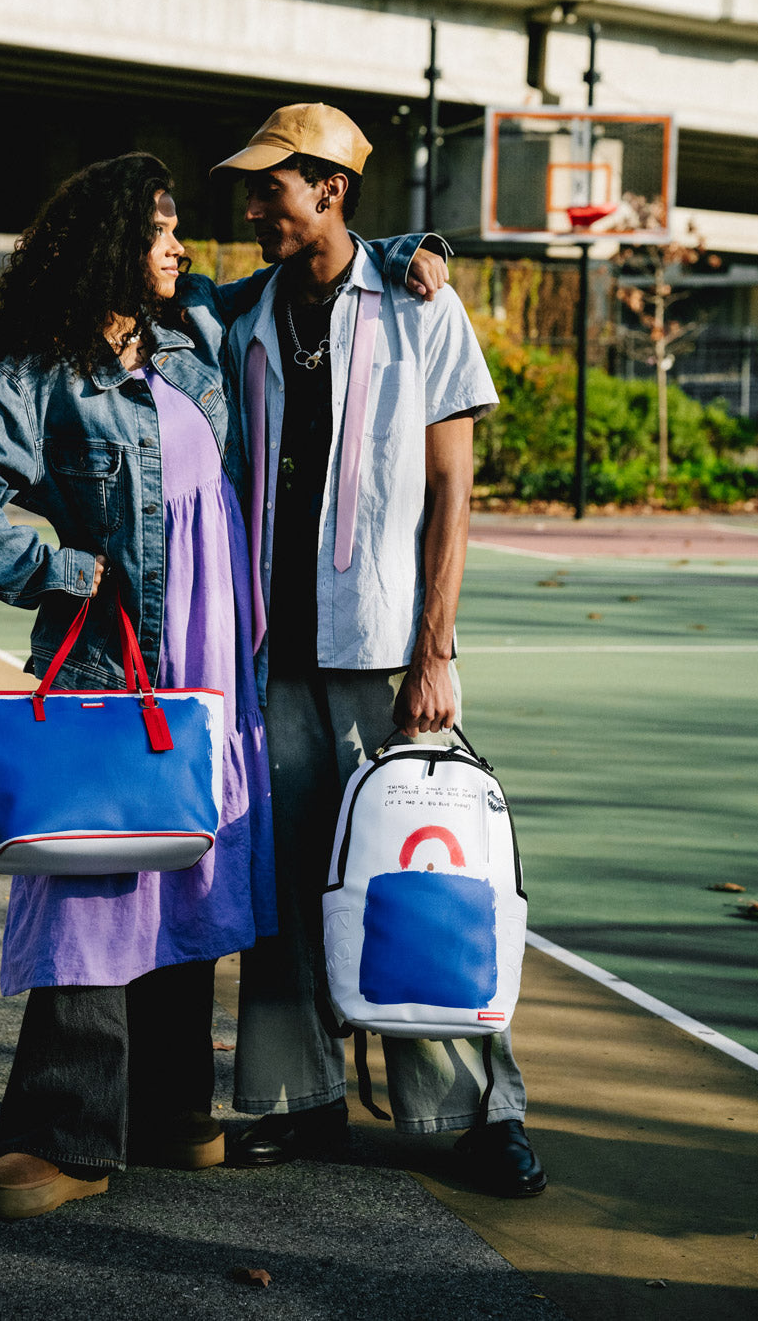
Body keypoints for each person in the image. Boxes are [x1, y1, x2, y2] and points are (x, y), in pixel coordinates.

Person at [0, 150, 447, 1220]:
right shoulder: (44, 375)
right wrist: (66, 572)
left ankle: (161, 1108)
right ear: (115, 244)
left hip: (218, 666)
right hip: (120, 667)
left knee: (184, 877)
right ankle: (61, 1133)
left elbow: (316, 258)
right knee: (96, 890)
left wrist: (410, 250)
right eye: (161, 230)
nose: (181, 246)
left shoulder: (195, 329)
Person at [212, 103, 547, 1196]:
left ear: (332, 191)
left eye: (274, 187)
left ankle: (478, 1111)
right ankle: (296, 1100)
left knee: (420, 881)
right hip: (273, 659)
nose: (255, 205)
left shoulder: (422, 316)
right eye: (255, 187)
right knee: (284, 884)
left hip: (385, 655)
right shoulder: (245, 314)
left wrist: (435, 652)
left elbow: (454, 494)